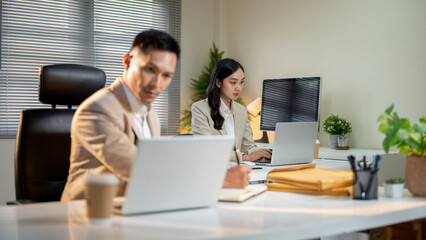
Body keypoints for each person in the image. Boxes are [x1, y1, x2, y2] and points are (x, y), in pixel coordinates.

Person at [61, 30, 251, 201]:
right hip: (89, 217)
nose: (157, 84)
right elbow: (140, 170)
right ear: (127, 62)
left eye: (166, 75)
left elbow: (157, 167)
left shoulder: (151, 115)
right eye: (150, 70)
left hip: (134, 210)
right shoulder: (97, 110)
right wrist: (220, 180)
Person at [191, 58, 272, 162]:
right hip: (213, 169)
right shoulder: (200, 109)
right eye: (233, 82)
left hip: (237, 169)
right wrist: (246, 157)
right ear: (218, 83)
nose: (238, 88)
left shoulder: (241, 110)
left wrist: (267, 155)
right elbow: (208, 149)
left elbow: (249, 147)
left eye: (241, 82)